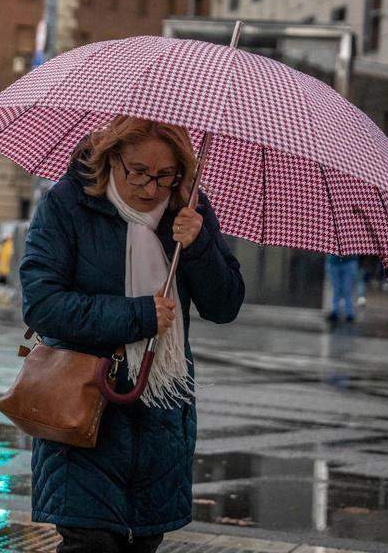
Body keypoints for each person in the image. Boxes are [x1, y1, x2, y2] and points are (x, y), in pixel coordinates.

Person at [19, 116, 245, 552]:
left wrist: (198, 245)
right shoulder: (68, 204)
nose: (151, 187)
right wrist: (138, 315)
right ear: (111, 158)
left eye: (165, 175)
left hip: (161, 416)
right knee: (90, 543)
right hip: (85, 409)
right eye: (138, 172)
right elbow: (42, 304)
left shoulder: (189, 207)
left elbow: (225, 305)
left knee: (142, 543)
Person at [325, 254, 360, 323]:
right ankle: (336, 311)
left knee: (347, 289)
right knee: (336, 289)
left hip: (349, 262)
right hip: (334, 262)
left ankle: (349, 312)